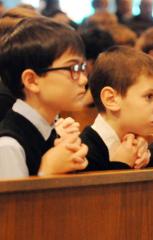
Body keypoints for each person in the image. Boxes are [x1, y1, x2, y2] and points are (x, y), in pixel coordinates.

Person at [0, 17, 89, 178]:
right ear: (32, 80)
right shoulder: (8, 145)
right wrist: (46, 171)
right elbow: (12, 204)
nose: (84, 79)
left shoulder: (52, 131)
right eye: (73, 68)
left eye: (83, 67)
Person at [80, 46, 153, 171]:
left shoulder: (143, 147)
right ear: (111, 99)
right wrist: (120, 165)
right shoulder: (83, 153)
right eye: (149, 96)